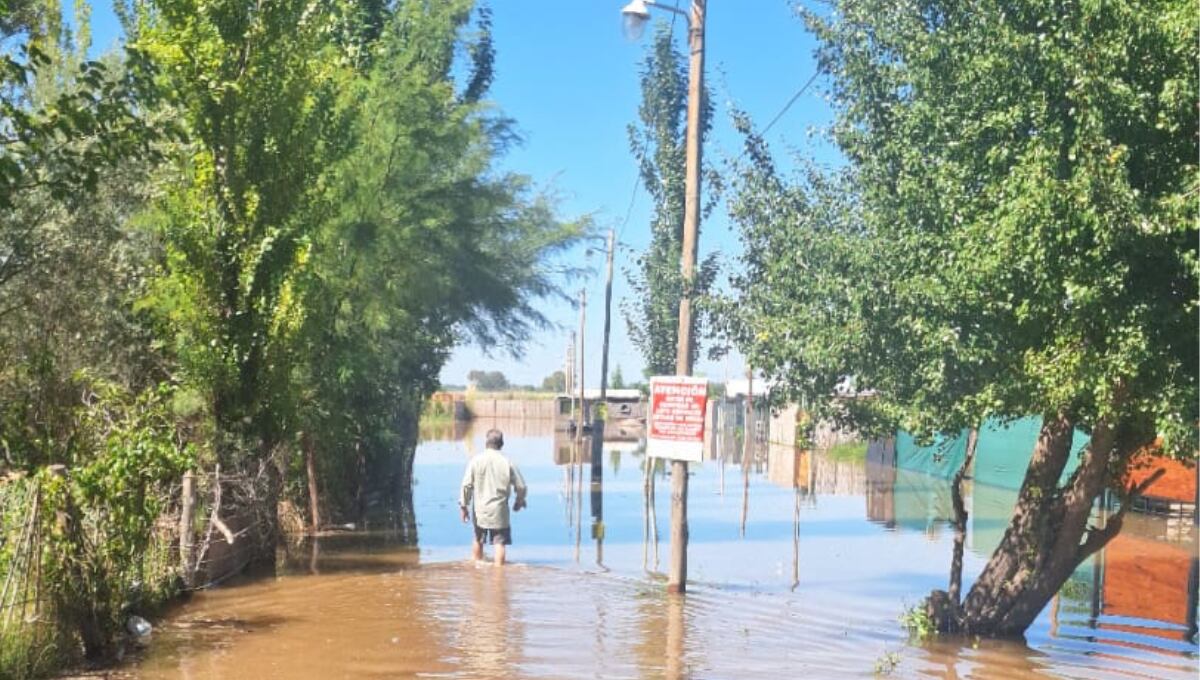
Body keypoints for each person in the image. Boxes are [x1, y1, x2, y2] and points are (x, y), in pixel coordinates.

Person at [459, 428, 527, 565]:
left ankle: (477, 569)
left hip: (480, 510)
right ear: (501, 444)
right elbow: (521, 486)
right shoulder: (507, 462)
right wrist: (519, 501)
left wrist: (463, 506)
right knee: (499, 543)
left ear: (486, 443)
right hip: (499, 510)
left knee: (478, 539)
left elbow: (466, 485)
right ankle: (499, 576)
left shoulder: (475, 460)